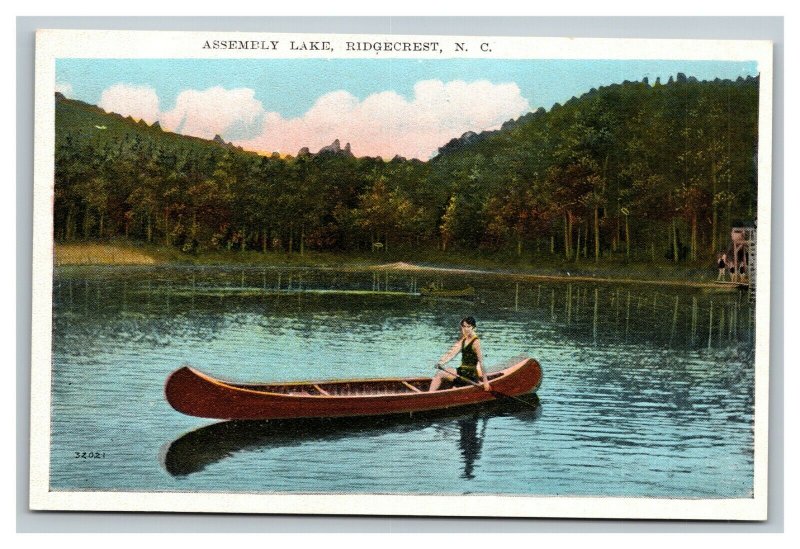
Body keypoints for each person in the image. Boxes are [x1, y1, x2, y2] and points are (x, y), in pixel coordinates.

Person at [428, 317, 491, 392]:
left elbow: (481, 362)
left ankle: (428, 395)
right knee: (442, 375)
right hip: (462, 371)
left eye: (468, 327)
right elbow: (452, 353)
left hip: (470, 374)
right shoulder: (464, 340)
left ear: (473, 327)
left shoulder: (475, 342)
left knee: (441, 375)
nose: (466, 329)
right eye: (464, 326)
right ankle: (430, 394)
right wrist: (441, 363)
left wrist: (486, 382)